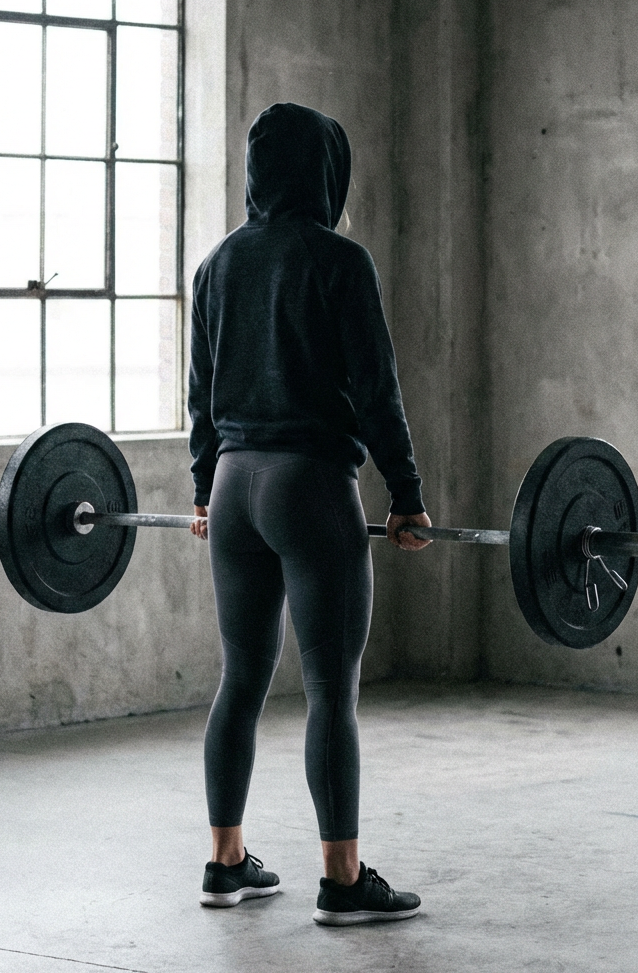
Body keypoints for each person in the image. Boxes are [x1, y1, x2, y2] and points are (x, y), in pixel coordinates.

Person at [186, 102, 432, 926]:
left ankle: (225, 863)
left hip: (232, 487)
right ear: (326, 172)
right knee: (331, 689)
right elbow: (375, 391)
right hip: (308, 488)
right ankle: (343, 880)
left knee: (241, 680)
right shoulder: (340, 261)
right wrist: (407, 495)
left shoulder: (216, 266)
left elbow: (201, 400)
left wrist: (198, 492)